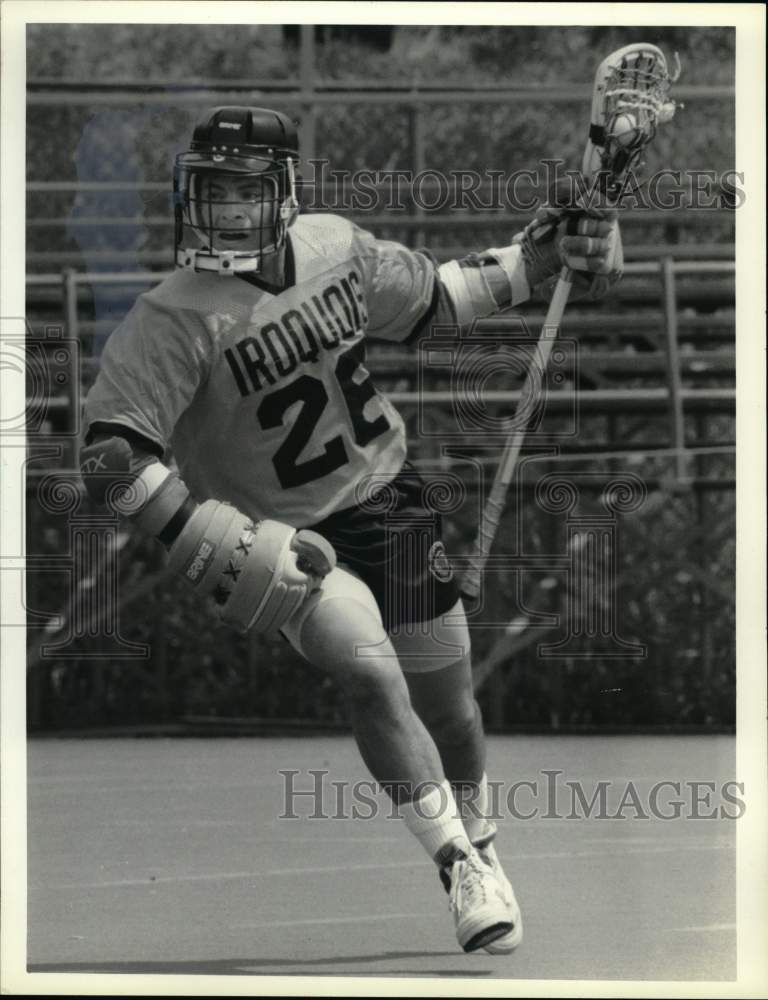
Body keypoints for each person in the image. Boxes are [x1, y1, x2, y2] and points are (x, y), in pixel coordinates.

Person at [79, 106, 622, 954]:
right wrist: (204, 536)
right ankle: (457, 868)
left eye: (244, 191)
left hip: (388, 500)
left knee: (455, 712)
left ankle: (479, 835)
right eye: (210, 191)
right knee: (370, 674)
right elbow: (112, 458)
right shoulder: (170, 317)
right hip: (294, 542)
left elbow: (444, 297)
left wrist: (550, 253)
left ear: (286, 194)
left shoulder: (336, 248)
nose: (222, 209)